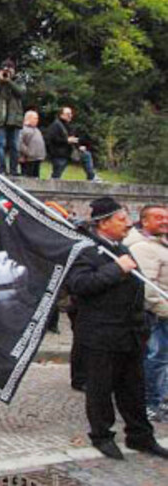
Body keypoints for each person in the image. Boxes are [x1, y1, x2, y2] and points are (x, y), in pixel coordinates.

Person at [64, 197, 168, 461]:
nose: (127, 224)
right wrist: (116, 269)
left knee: (133, 389)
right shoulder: (86, 250)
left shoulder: (121, 246)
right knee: (100, 389)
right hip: (101, 334)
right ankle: (102, 436)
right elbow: (79, 286)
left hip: (130, 333)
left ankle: (140, 436)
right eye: (121, 219)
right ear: (103, 223)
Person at [125, 205, 168, 423]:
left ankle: (160, 399)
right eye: (158, 217)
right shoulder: (144, 247)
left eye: (166, 217)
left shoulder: (161, 245)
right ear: (144, 222)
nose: (165, 221)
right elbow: (147, 288)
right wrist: (164, 310)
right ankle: (150, 404)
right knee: (155, 360)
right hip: (157, 316)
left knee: (162, 360)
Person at [0, 59, 25, 176]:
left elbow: (21, 92)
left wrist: (9, 82)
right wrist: (0, 80)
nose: (7, 71)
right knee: (1, 144)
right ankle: (2, 169)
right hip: (0, 119)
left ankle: (13, 170)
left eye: (10, 68)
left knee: (14, 146)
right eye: (5, 68)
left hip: (15, 119)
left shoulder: (19, 81)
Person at [45, 106, 101, 182]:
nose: (70, 116)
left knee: (86, 155)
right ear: (61, 115)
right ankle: (51, 183)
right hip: (59, 154)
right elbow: (50, 139)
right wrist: (66, 140)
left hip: (68, 152)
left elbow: (72, 139)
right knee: (56, 175)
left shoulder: (68, 126)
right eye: (68, 114)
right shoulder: (55, 125)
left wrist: (79, 147)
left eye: (71, 114)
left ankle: (91, 176)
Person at [18, 110, 45, 178]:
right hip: (28, 159)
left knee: (36, 177)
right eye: (35, 118)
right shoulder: (23, 129)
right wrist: (28, 152)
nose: (37, 120)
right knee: (28, 177)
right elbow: (19, 143)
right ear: (28, 118)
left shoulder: (36, 130)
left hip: (37, 158)